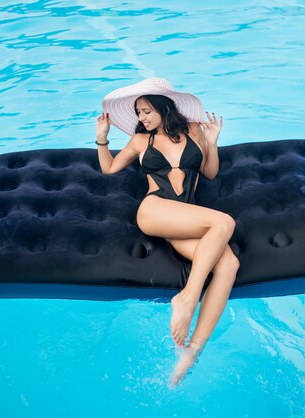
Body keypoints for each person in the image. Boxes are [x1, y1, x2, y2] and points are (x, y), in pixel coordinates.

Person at [95, 78, 239, 387]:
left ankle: (191, 353)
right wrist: (102, 139)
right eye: (138, 112)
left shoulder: (194, 131)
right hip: (155, 211)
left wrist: (211, 143)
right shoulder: (139, 141)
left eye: (147, 111)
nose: (142, 118)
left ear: (164, 107)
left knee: (229, 265)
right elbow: (109, 169)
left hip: (186, 219)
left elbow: (210, 173)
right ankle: (187, 299)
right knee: (224, 223)